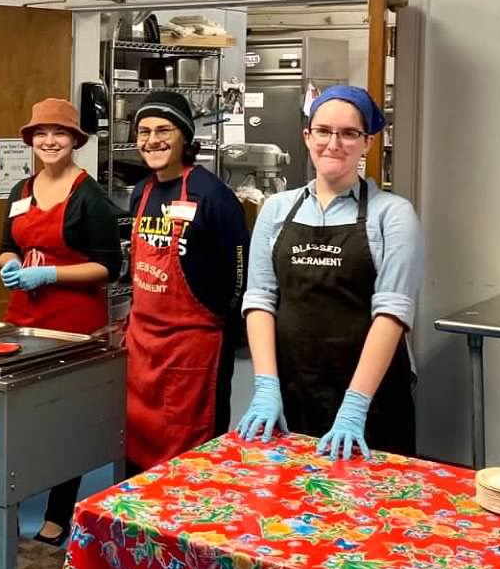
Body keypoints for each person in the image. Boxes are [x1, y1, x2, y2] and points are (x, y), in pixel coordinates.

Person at [234, 85, 424, 461]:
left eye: (349, 133)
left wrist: (355, 406)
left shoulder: (393, 214)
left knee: (372, 511)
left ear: (367, 142)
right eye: (323, 131)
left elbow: (392, 313)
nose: (333, 143)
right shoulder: (276, 210)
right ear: (307, 136)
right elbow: (259, 299)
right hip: (291, 388)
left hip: (371, 399)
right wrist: (266, 385)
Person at [0, 98, 122, 545]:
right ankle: (6, 505)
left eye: (60, 133)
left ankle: (57, 514)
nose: (50, 141)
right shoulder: (20, 190)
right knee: (17, 417)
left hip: (72, 323)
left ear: (74, 141)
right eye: (42, 134)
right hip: (23, 318)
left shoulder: (89, 196)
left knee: (62, 420)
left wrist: (50, 273)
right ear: (31, 140)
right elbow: (6, 242)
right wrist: (10, 264)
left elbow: (110, 267)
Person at [123, 91, 248, 473]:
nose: (152, 140)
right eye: (144, 131)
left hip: (193, 351)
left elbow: (240, 273)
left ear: (185, 137)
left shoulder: (213, 196)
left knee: (190, 461)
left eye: (164, 130)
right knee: (136, 447)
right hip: (143, 346)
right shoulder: (141, 192)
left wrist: (220, 324)